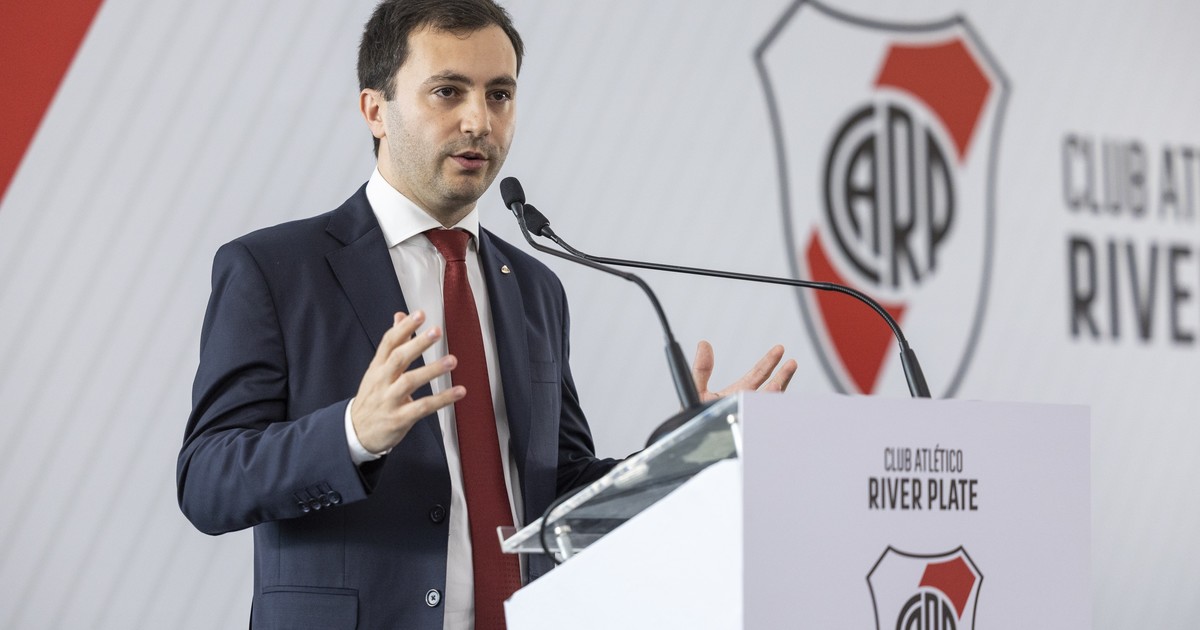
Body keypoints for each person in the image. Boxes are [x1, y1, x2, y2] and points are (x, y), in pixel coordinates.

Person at [176, 1, 797, 628]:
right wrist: (353, 434)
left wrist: (683, 462)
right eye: (448, 92)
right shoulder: (276, 269)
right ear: (375, 110)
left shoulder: (535, 287)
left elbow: (556, 489)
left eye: (499, 95)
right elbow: (207, 480)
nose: (479, 121)